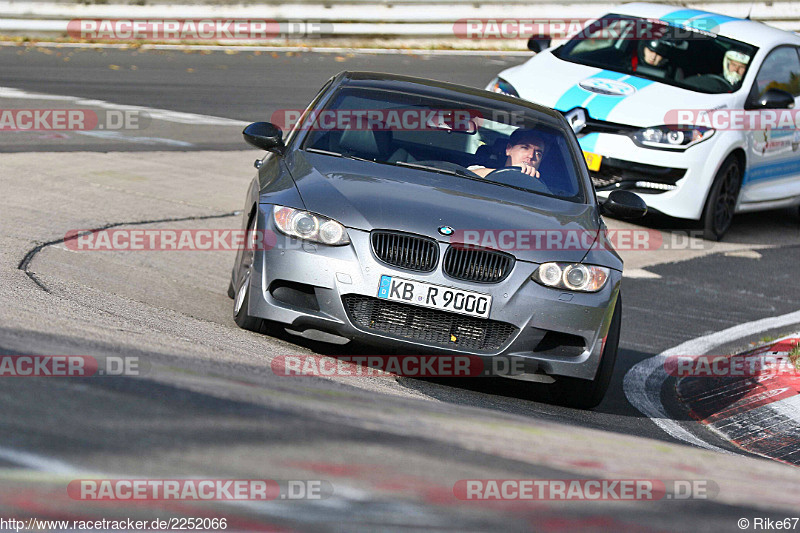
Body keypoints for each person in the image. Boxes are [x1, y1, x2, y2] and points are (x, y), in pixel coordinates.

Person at [469, 129, 546, 178]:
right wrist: (511, 172)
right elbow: (466, 175)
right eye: (525, 148)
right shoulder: (481, 171)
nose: (531, 156)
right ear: (508, 149)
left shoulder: (542, 190)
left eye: (538, 154)